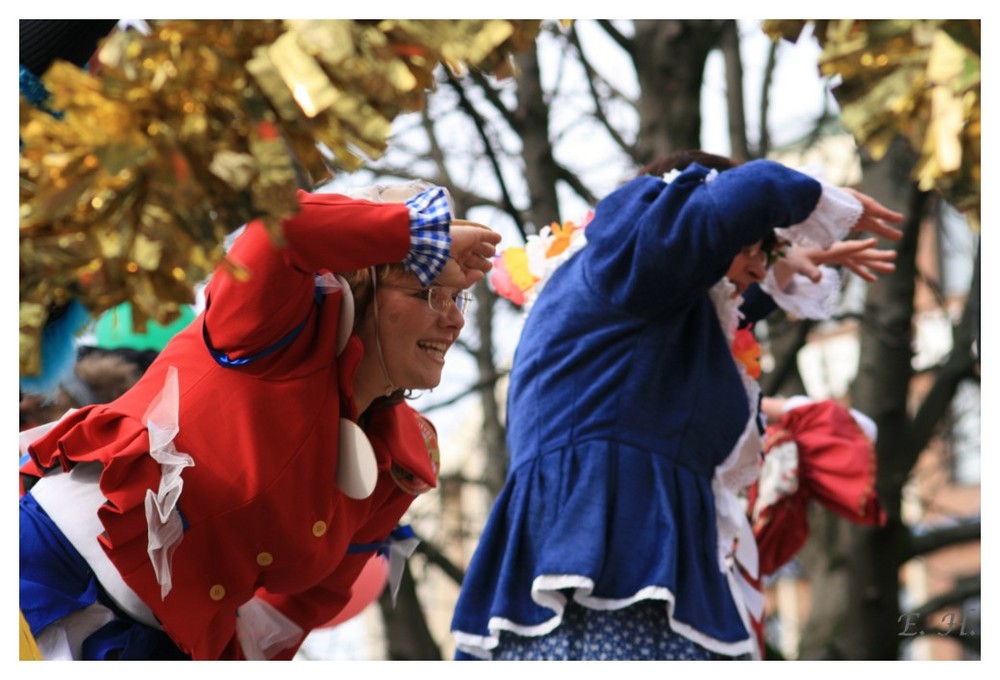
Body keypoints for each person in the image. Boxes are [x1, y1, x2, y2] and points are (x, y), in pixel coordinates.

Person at [19, 181, 501, 660]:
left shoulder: (401, 460)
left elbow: (293, 613)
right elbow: (282, 226)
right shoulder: (272, 324)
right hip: (35, 583)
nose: (453, 321)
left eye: (458, 299)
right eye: (428, 293)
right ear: (361, 283)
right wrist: (415, 231)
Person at [450, 150, 902, 660]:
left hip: (622, 554)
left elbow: (703, 309)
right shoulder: (630, 261)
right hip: (606, 569)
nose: (760, 262)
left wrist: (776, 269)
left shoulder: (632, 293)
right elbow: (733, 206)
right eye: (758, 244)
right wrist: (821, 201)